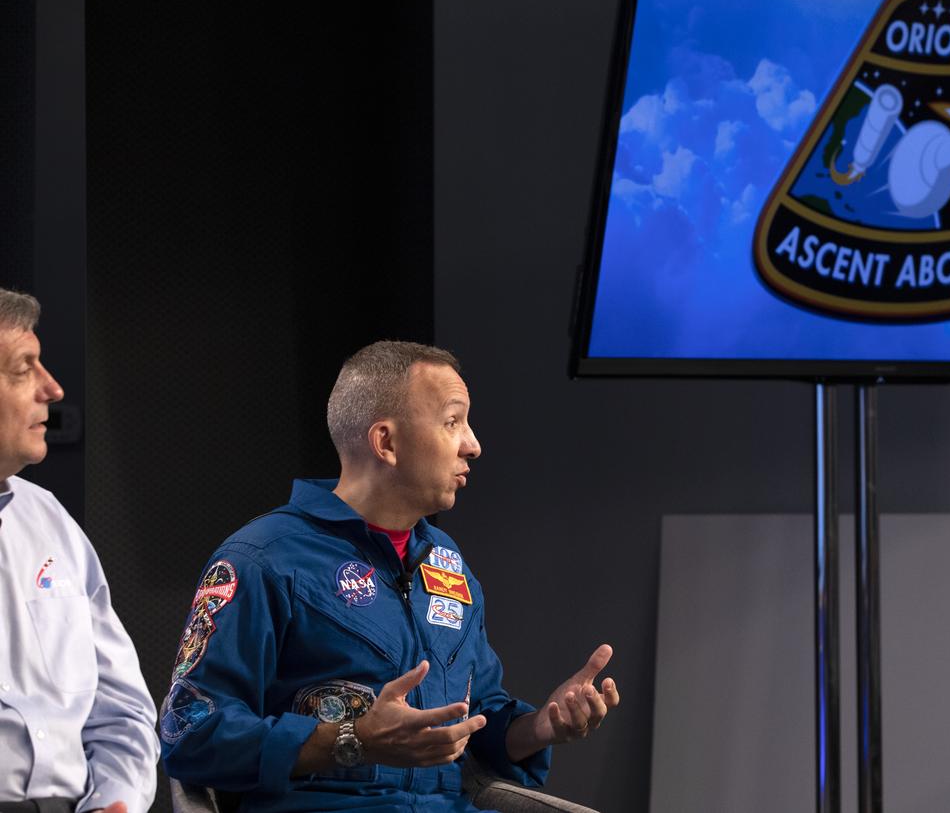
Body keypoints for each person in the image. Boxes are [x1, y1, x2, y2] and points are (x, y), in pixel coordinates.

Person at [161, 341, 619, 811]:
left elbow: (479, 720)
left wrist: (541, 726)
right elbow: (189, 734)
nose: (473, 445)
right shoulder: (262, 558)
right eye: (452, 421)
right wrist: (351, 740)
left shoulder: (445, 560)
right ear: (387, 443)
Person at [0, 287, 158, 813]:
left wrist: (115, 801)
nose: (53, 388)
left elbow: (122, 712)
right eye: (23, 369)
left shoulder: (48, 520)